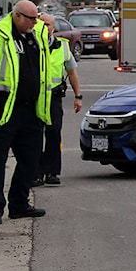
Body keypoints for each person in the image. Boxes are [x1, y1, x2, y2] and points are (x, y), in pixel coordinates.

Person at [0, 0, 52, 225]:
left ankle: (19, 205)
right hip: (2, 110)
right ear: (17, 15)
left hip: (31, 111)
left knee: (31, 160)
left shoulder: (36, 34)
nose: (35, 22)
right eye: (30, 19)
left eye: (37, 18)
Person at [33, 14, 83, 187]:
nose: (44, 27)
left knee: (54, 133)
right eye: (40, 24)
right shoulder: (31, 45)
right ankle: (36, 173)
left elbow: (71, 72)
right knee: (35, 135)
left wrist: (78, 96)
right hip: (34, 97)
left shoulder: (61, 46)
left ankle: (52, 171)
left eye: (47, 24)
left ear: (53, 28)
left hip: (54, 97)